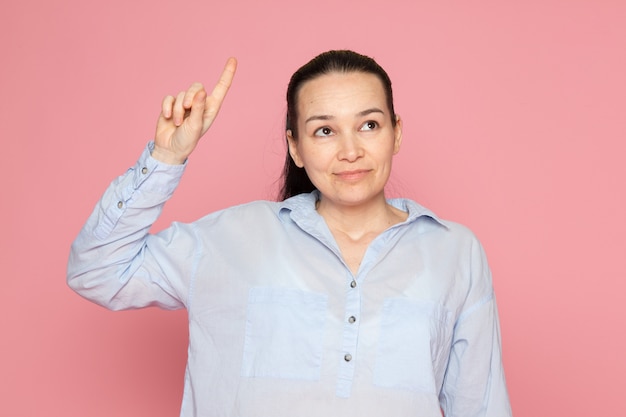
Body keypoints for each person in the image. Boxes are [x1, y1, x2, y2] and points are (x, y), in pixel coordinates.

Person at [67, 50, 512, 417]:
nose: (351, 150)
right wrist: (166, 157)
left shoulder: (455, 252)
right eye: (324, 130)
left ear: (396, 134)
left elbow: (480, 405)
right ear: (295, 147)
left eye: (369, 125)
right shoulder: (231, 238)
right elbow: (97, 271)